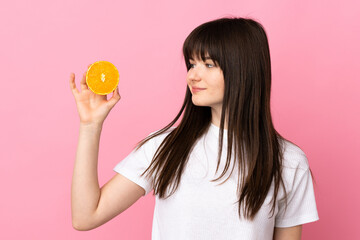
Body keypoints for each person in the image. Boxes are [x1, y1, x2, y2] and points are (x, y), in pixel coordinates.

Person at [69, 17, 319, 239]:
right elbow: (86, 216)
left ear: (244, 71)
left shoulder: (288, 161)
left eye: (208, 64)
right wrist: (90, 125)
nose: (192, 76)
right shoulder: (164, 147)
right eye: (191, 64)